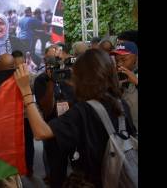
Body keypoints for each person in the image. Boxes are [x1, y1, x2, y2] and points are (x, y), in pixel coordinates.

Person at [14, 49, 137, 187]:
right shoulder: (121, 103)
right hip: (120, 178)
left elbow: (41, 132)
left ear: (83, 77)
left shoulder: (84, 110)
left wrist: (25, 91)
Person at [34, 44, 76, 188]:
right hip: (53, 131)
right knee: (56, 171)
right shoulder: (41, 80)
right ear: (45, 61)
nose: (54, 63)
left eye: (57, 59)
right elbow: (46, 109)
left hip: (71, 128)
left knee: (77, 167)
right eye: (50, 60)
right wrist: (52, 81)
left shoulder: (68, 76)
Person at [111, 41, 138, 130]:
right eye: (117, 60)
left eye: (124, 59)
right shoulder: (115, 77)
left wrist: (136, 82)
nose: (119, 64)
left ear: (136, 58)